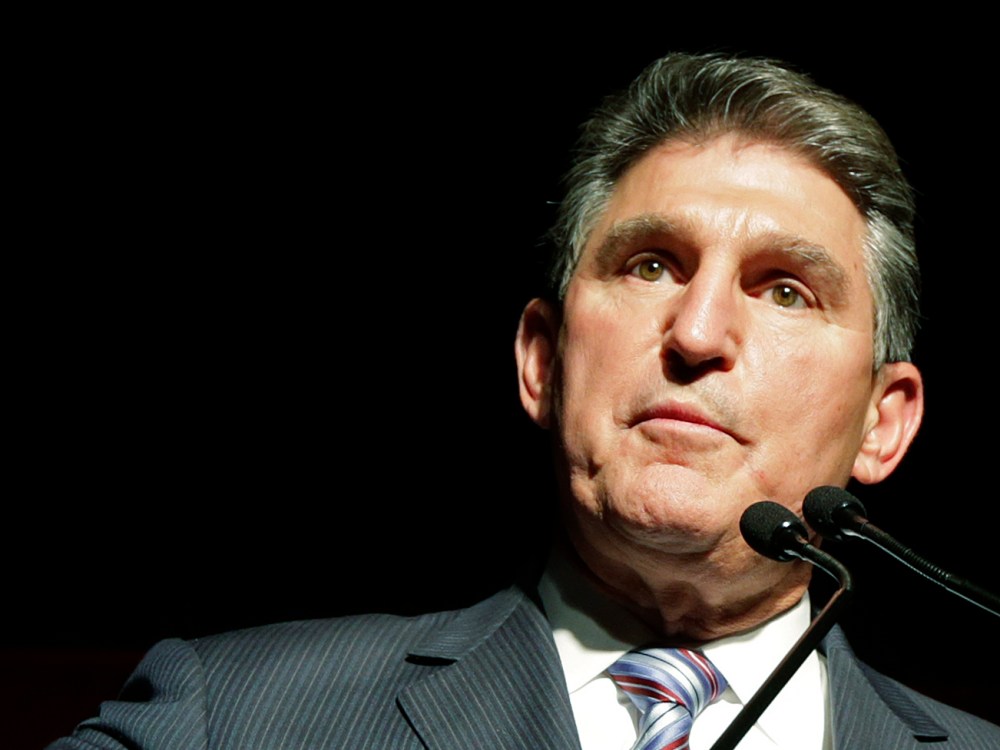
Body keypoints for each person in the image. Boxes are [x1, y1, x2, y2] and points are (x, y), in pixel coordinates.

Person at [48, 52, 999, 750]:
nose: (699, 333)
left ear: (884, 421)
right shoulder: (233, 717)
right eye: (651, 264)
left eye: (786, 289)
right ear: (542, 361)